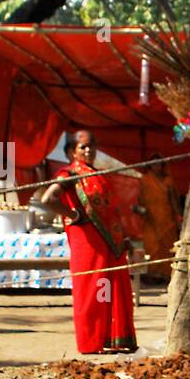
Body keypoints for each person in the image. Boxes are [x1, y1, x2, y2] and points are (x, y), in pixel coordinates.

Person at [41, 130, 138, 354]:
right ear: (71, 152)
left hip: (110, 246)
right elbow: (48, 199)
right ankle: (90, 342)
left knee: (106, 291)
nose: (88, 150)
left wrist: (123, 238)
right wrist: (74, 215)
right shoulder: (70, 174)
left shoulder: (99, 174)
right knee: (92, 291)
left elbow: (112, 211)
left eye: (91, 146)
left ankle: (109, 338)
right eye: (82, 147)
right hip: (89, 244)